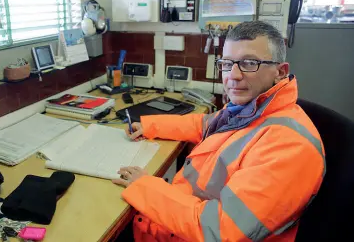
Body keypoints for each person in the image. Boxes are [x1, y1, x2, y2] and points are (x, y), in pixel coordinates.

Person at [112, 21, 325, 242]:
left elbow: (217, 230)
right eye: (226, 63)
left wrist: (146, 187)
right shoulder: (251, 109)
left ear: (280, 72)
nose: (233, 75)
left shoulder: (290, 146)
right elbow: (202, 124)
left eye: (249, 63)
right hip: (177, 220)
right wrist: (148, 126)